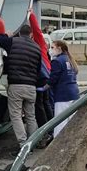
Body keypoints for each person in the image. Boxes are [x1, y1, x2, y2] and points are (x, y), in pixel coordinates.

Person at [0, 24, 42, 153]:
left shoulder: (12, 42)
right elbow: (38, 69)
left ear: (19, 33)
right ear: (31, 34)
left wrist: (6, 35)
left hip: (16, 85)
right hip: (31, 87)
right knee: (31, 116)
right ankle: (32, 143)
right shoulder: (37, 48)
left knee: (16, 116)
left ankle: (23, 145)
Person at [27, 10, 54, 148]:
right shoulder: (42, 46)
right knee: (46, 103)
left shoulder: (38, 42)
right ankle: (51, 130)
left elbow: (36, 30)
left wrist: (31, 15)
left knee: (39, 106)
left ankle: (46, 133)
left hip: (40, 77)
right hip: (46, 76)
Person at [48, 40, 80, 137]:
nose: (50, 50)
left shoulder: (56, 61)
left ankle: (58, 145)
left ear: (59, 48)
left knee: (60, 123)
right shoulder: (69, 59)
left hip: (62, 95)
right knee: (73, 123)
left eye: (52, 47)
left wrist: (44, 86)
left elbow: (53, 79)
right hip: (74, 94)